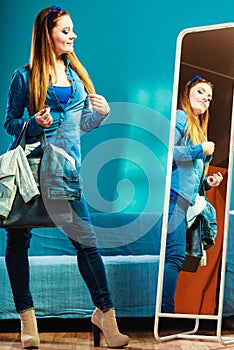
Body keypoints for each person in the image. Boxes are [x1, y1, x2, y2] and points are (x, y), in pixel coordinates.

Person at [4, 6, 129, 349]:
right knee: (18, 242)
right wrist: (33, 124)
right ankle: (27, 321)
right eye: (66, 30)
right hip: (30, 173)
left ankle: (105, 314)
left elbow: (77, 129)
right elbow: (11, 124)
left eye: (73, 30)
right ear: (48, 34)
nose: (73, 36)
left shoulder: (76, 77)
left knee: (86, 243)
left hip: (66, 172)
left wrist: (100, 116)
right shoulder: (24, 77)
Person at [161, 75, 223, 313]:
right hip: (174, 197)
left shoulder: (197, 127)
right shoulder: (181, 116)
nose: (205, 100)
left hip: (186, 200)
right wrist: (201, 149)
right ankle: (166, 311)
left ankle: (167, 310)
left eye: (208, 98)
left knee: (179, 256)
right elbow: (169, 152)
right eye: (200, 93)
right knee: (175, 255)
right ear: (187, 93)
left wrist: (207, 182)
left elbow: (191, 178)